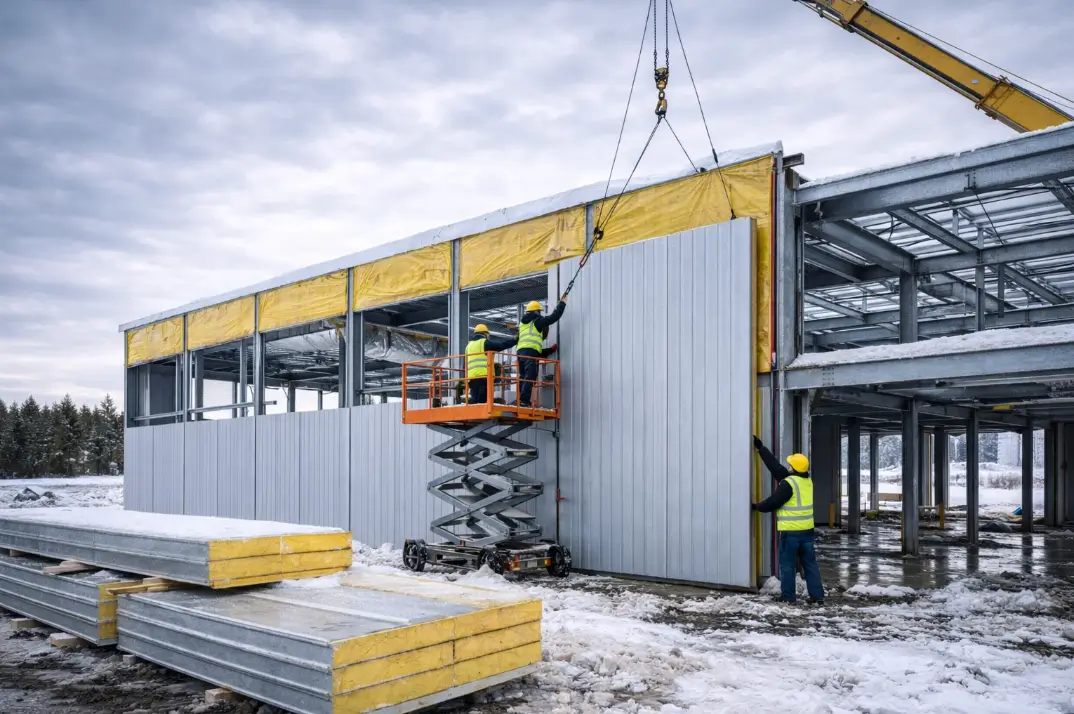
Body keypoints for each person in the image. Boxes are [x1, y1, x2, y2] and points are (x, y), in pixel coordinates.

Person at [751, 435, 824, 604]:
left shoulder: (788, 485)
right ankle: (817, 596)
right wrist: (761, 449)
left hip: (791, 533)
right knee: (810, 565)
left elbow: (774, 502)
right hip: (807, 532)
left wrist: (757, 506)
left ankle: (788, 597)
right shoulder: (806, 481)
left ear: (793, 468)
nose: (788, 466)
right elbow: (776, 469)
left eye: (790, 464)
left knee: (788, 566)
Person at [516, 296, 566, 407]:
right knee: (530, 376)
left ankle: (520, 400)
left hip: (520, 353)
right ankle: (524, 400)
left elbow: (533, 348)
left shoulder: (523, 324)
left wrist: (550, 350)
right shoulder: (536, 321)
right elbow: (554, 317)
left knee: (523, 376)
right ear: (536, 311)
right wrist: (562, 303)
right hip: (530, 353)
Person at [465, 324, 515, 405]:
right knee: (483, 401)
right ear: (485, 334)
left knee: (475, 401)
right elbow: (501, 345)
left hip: (471, 378)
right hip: (484, 377)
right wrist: (514, 340)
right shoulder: (484, 342)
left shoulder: (468, 346)